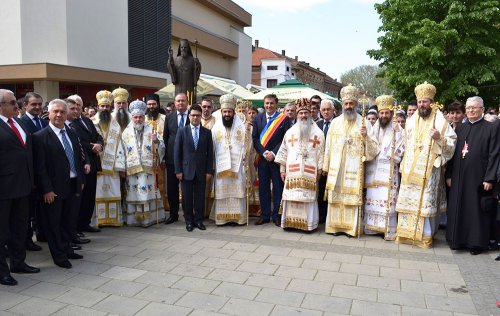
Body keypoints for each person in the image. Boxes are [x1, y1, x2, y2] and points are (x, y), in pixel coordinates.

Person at [395, 82, 457, 248]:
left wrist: (439, 138)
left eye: (425, 101)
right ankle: (406, 234)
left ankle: (425, 236)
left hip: (429, 170)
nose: (422, 105)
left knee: (425, 202)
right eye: (420, 102)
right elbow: (404, 144)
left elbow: (452, 143)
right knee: (409, 200)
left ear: (432, 101)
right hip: (409, 169)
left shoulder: (440, 121)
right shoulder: (410, 121)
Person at [33, 99, 85, 269]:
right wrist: (46, 189)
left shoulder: (71, 133)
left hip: (72, 184)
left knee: (68, 221)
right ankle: (59, 255)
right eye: (55, 111)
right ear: (48, 113)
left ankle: (67, 248)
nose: (59, 115)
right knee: (54, 223)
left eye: (62, 112)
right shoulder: (40, 137)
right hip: (54, 189)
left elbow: (78, 159)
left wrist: (80, 181)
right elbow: (40, 168)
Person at [322, 84, 378, 237]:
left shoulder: (364, 123)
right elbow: (328, 146)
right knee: (336, 196)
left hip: (353, 169)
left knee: (350, 199)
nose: (348, 106)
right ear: (342, 104)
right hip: (337, 168)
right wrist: (325, 166)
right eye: (346, 103)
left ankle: (350, 229)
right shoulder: (335, 123)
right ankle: (334, 227)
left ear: (356, 104)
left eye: (351, 103)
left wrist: (366, 136)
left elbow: (374, 150)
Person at [446, 96, 499, 255]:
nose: (470, 111)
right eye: (468, 108)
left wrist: (489, 178)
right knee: (459, 208)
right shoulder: (460, 129)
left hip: (478, 178)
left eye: (474, 108)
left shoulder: (491, 128)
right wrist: (448, 175)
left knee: (476, 211)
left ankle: (476, 243)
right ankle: (457, 240)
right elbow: (452, 154)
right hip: (459, 176)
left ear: (482, 109)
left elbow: (494, 154)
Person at [0, 89, 40, 286]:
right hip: (4, 189)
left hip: (24, 187)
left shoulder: (19, 122)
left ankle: (18, 262)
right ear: (1, 105)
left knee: (20, 228)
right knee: (2, 232)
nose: (17, 105)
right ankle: (2, 271)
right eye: (12, 102)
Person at [275, 98, 325, 231]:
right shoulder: (289, 132)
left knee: (308, 198)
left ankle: (308, 225)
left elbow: (321, 154)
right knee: (292, 196)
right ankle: (290, 223)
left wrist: (319, 171)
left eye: (306, 113)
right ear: (297, 114)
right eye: (301, 113)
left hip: (310, 171)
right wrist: (282, 169)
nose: (303, 116)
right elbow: (284, 151)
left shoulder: (318, 134)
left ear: (310, 114)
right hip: (292, 172)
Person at [116, 100, 166, 226]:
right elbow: (120, 151)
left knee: (148, 192)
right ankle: (134, 219)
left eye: (140, 117)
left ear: (144, 117)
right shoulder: (125, 132)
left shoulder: (152, 129)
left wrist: (157, 142)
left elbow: (162, 148)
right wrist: (122, 168)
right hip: (132, 170)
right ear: (132, 117)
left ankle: (148, 219)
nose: (138, 119)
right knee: (134, 193)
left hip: (148, 169)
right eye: (135, 117)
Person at [364, 95, 405, 240]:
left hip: (388, 171)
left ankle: (388, 229)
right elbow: (369, 146)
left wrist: (398, 132)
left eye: (387, 113)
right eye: (381, 113)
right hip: (373, 171)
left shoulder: (397, 128)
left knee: (388, 200)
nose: (384, 116)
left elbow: (402, 145)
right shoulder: (374, 128)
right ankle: (372, 228)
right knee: (373, 197)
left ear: (391, 114)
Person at [174, 104, 214, 231]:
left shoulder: (207, 133)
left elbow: (210, 154)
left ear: (201, 116)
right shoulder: (182, 131)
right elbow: (177, 152)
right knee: (186, 198)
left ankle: (198, 220)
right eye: (193, 115)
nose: (195, 118)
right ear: (189, 116)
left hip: (201, 171)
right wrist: (178, 170)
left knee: (199, 197)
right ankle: (189, 221)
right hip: (186, 171)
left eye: (198, 115)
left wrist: (209, 171)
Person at [67, 94, 103, 234]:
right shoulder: (70, 123)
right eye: (73, 106)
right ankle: (76, 227)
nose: (76, 110)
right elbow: (77, 142)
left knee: (89, 196)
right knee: (79, 198)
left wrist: (99, 144)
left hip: (92, 162)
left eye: (78, 106)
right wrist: (92, 146)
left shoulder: (87, 121)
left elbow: (98, 135)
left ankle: (85, 223)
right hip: (81, 163)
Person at [252, 94, 290, 226]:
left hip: (277, 159)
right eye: (267, 103)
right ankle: (265, 215)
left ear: (276, 105)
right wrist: (263, 153)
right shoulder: (258, 118)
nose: (269, 106)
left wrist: (273, 153)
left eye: (271, 103)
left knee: (278, 188)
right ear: (264, 104)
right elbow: (255, 139)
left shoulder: (283, 119)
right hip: (262, 160)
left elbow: (285, 139)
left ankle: (277, 215)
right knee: (263, 188)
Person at [211, 94, 248, 225]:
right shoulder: (215, 128)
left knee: (236, 192)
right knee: (223, 191)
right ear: (221, 112)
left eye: (229, 112)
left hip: (237, 166)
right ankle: (223, 218)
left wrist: (245, 155)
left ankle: (237, 218)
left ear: (234, 112)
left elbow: (246, 145)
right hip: (221, 166)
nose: (227, 114)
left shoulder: (242, 127)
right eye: (225, 111)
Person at [20, 92, 47, 251]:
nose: (37, 107)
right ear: (25, 106)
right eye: (33, 104)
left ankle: (43, 233)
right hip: (29, 174)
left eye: (39, 104)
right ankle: (27, 239)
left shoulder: (44, 122)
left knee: (42, 207)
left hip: (44, 173)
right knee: (28, 210)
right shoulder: (21, 123)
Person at [93, 90, 124, 227]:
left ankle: (113, 220)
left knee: (112, 191)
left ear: (111, 107)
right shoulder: (91, 122)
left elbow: (122, 145)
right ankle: (97, 220)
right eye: (102, 106)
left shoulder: (116, 124)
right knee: (97, 192)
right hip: (97, 165)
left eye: (107, 106)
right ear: (98, 106)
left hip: (113, 167)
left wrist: (121, 165)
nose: (105, 109)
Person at [64, 98, 91, 247]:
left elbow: (79, 147)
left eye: (77, 108)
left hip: (78, 174)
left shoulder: (73, 128)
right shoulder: (63, 129)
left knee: (74, 208)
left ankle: (73, 234)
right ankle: (68, 237)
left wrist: (86, 161)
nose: (75, 111)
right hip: (65, 176)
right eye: (71, 109)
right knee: (67, 211)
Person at [163, 93, 190, 224]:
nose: (180, 103)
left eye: (183, 101)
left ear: (187, 102)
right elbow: (165, 138)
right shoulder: (169, 117)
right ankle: (173, 214)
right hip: (171, 158)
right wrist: (164, 157)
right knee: (172, 188)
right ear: (174, 102)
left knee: (186, 187)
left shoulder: (193, 116)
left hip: (188, 158)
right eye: (178, 101)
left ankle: (187, 213)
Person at [144, 93, 169, 213]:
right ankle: (151, 207)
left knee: (163, 183)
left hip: (161, 158)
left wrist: (164, 158)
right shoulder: (142, 120)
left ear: (158, 104)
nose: (151, 106)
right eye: (149, 104)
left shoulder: (165, 119)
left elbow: (168, 140)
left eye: (154, 104)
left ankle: (164, 206)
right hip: (147, 159)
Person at [316, 99, 335, 223]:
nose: (326, 112)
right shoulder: (317, 124)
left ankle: (331, 215)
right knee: (321, 188)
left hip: (334, 162)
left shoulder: (338, 123)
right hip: (321, 163)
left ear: (333, 110)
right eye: (323, 110)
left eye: (328, 109)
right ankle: (322, 215)